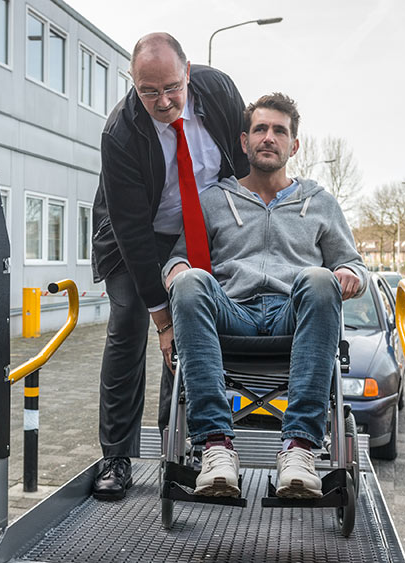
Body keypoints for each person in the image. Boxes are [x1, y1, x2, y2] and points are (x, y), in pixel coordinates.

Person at [163, 93, 369, 498]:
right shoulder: (215, 200)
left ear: (294, 146)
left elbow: (355, 265)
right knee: (190, 282)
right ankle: (217, 447)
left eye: (279, 131)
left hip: (292, 315)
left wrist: (347, 273)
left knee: (317, 277)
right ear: (245, 142)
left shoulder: (320, 202)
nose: (269, 137)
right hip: (232, 312)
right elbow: (177, 260)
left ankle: (299, 448)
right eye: (260, 129)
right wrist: (178, 271)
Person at [89, 32, 249, 500]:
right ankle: (116, 454)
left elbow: (240, 170)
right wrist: (159, 313)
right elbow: (131, 230)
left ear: (188, 72)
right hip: (133, 238)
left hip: (196, 229)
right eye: (148, 91)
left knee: (190, 326)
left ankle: (175, 448)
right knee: (130, 325)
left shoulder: (218, 92)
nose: (162, 101)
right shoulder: (120, 132)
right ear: (133, 84)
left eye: (171, 88)